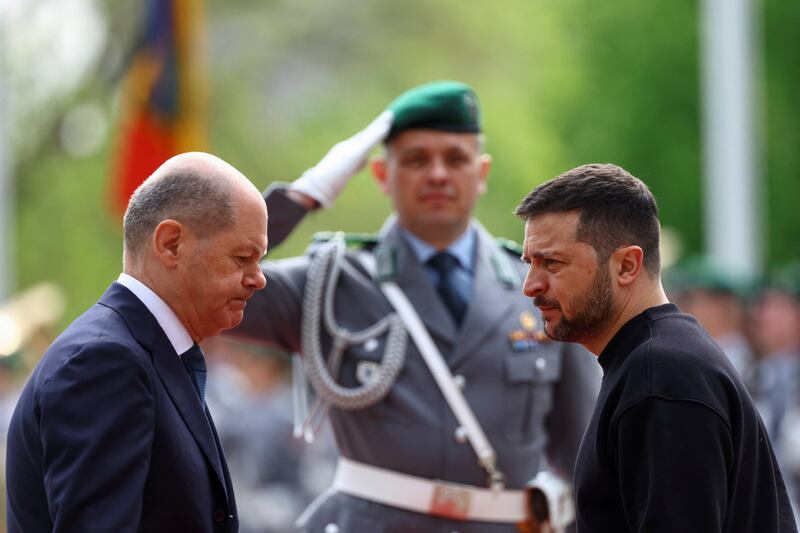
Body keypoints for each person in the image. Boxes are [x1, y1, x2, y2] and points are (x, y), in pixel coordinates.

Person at [231, 80, 600, 532]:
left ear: (481, 173)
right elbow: (210, 283)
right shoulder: (329, 280)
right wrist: (301, 197)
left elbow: (582, 455)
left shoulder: (540, 287)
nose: (438, 174)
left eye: (455, 158)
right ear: (382, 175)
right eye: (417, 159)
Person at [514, 163, 798, 533]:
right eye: (529, 263)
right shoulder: (659, 360)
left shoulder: (661, 376)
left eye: (552, 262)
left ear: (627, 265)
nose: (530, 286)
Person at [5, 152, 269, 532]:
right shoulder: (104, 362)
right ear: (171, 244)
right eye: (243, 257)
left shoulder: (146, 353)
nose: (259, 279)